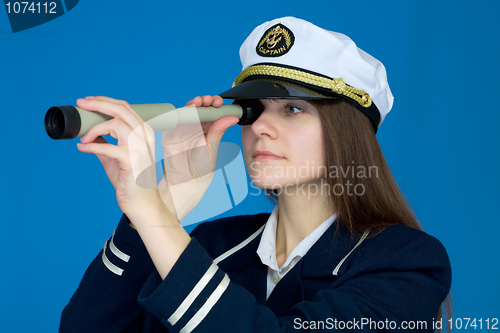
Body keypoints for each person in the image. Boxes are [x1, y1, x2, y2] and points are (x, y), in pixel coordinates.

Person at [60, 17, 452, 332]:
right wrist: (161, 205)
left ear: (347, 133)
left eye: (292, 109)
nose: (261, 127)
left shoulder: (406, 261)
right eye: (252, 110)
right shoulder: (213, 245)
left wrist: (155, 218)